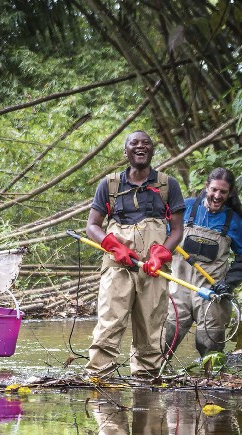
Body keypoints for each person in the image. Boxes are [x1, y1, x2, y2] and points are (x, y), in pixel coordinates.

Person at [84, 130, 185, 379]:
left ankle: (146, 381)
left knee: (152, 328)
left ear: (152, 150)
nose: (140, 146)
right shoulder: (109, 185)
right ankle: (100, 377)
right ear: (126, 151)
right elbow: (92, 226)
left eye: (146, 143)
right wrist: (113, 246)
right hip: (117, 266)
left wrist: (162, 253)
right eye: (134, 143)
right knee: (109, 323)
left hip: (154, 267)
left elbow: (177, 230)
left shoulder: (167, 185)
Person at [164, 167, 242, 357]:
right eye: (214, 190)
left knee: (210, 350)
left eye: (223, 192)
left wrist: (228, 284)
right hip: (179, 289)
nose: (217, 196)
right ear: (206, 187)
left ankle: (210, 382)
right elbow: (164, 242)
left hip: (212, 295)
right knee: (163, 342)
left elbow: (241, 260)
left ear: (230, 193)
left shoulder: (234, 221)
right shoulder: (185, 208)